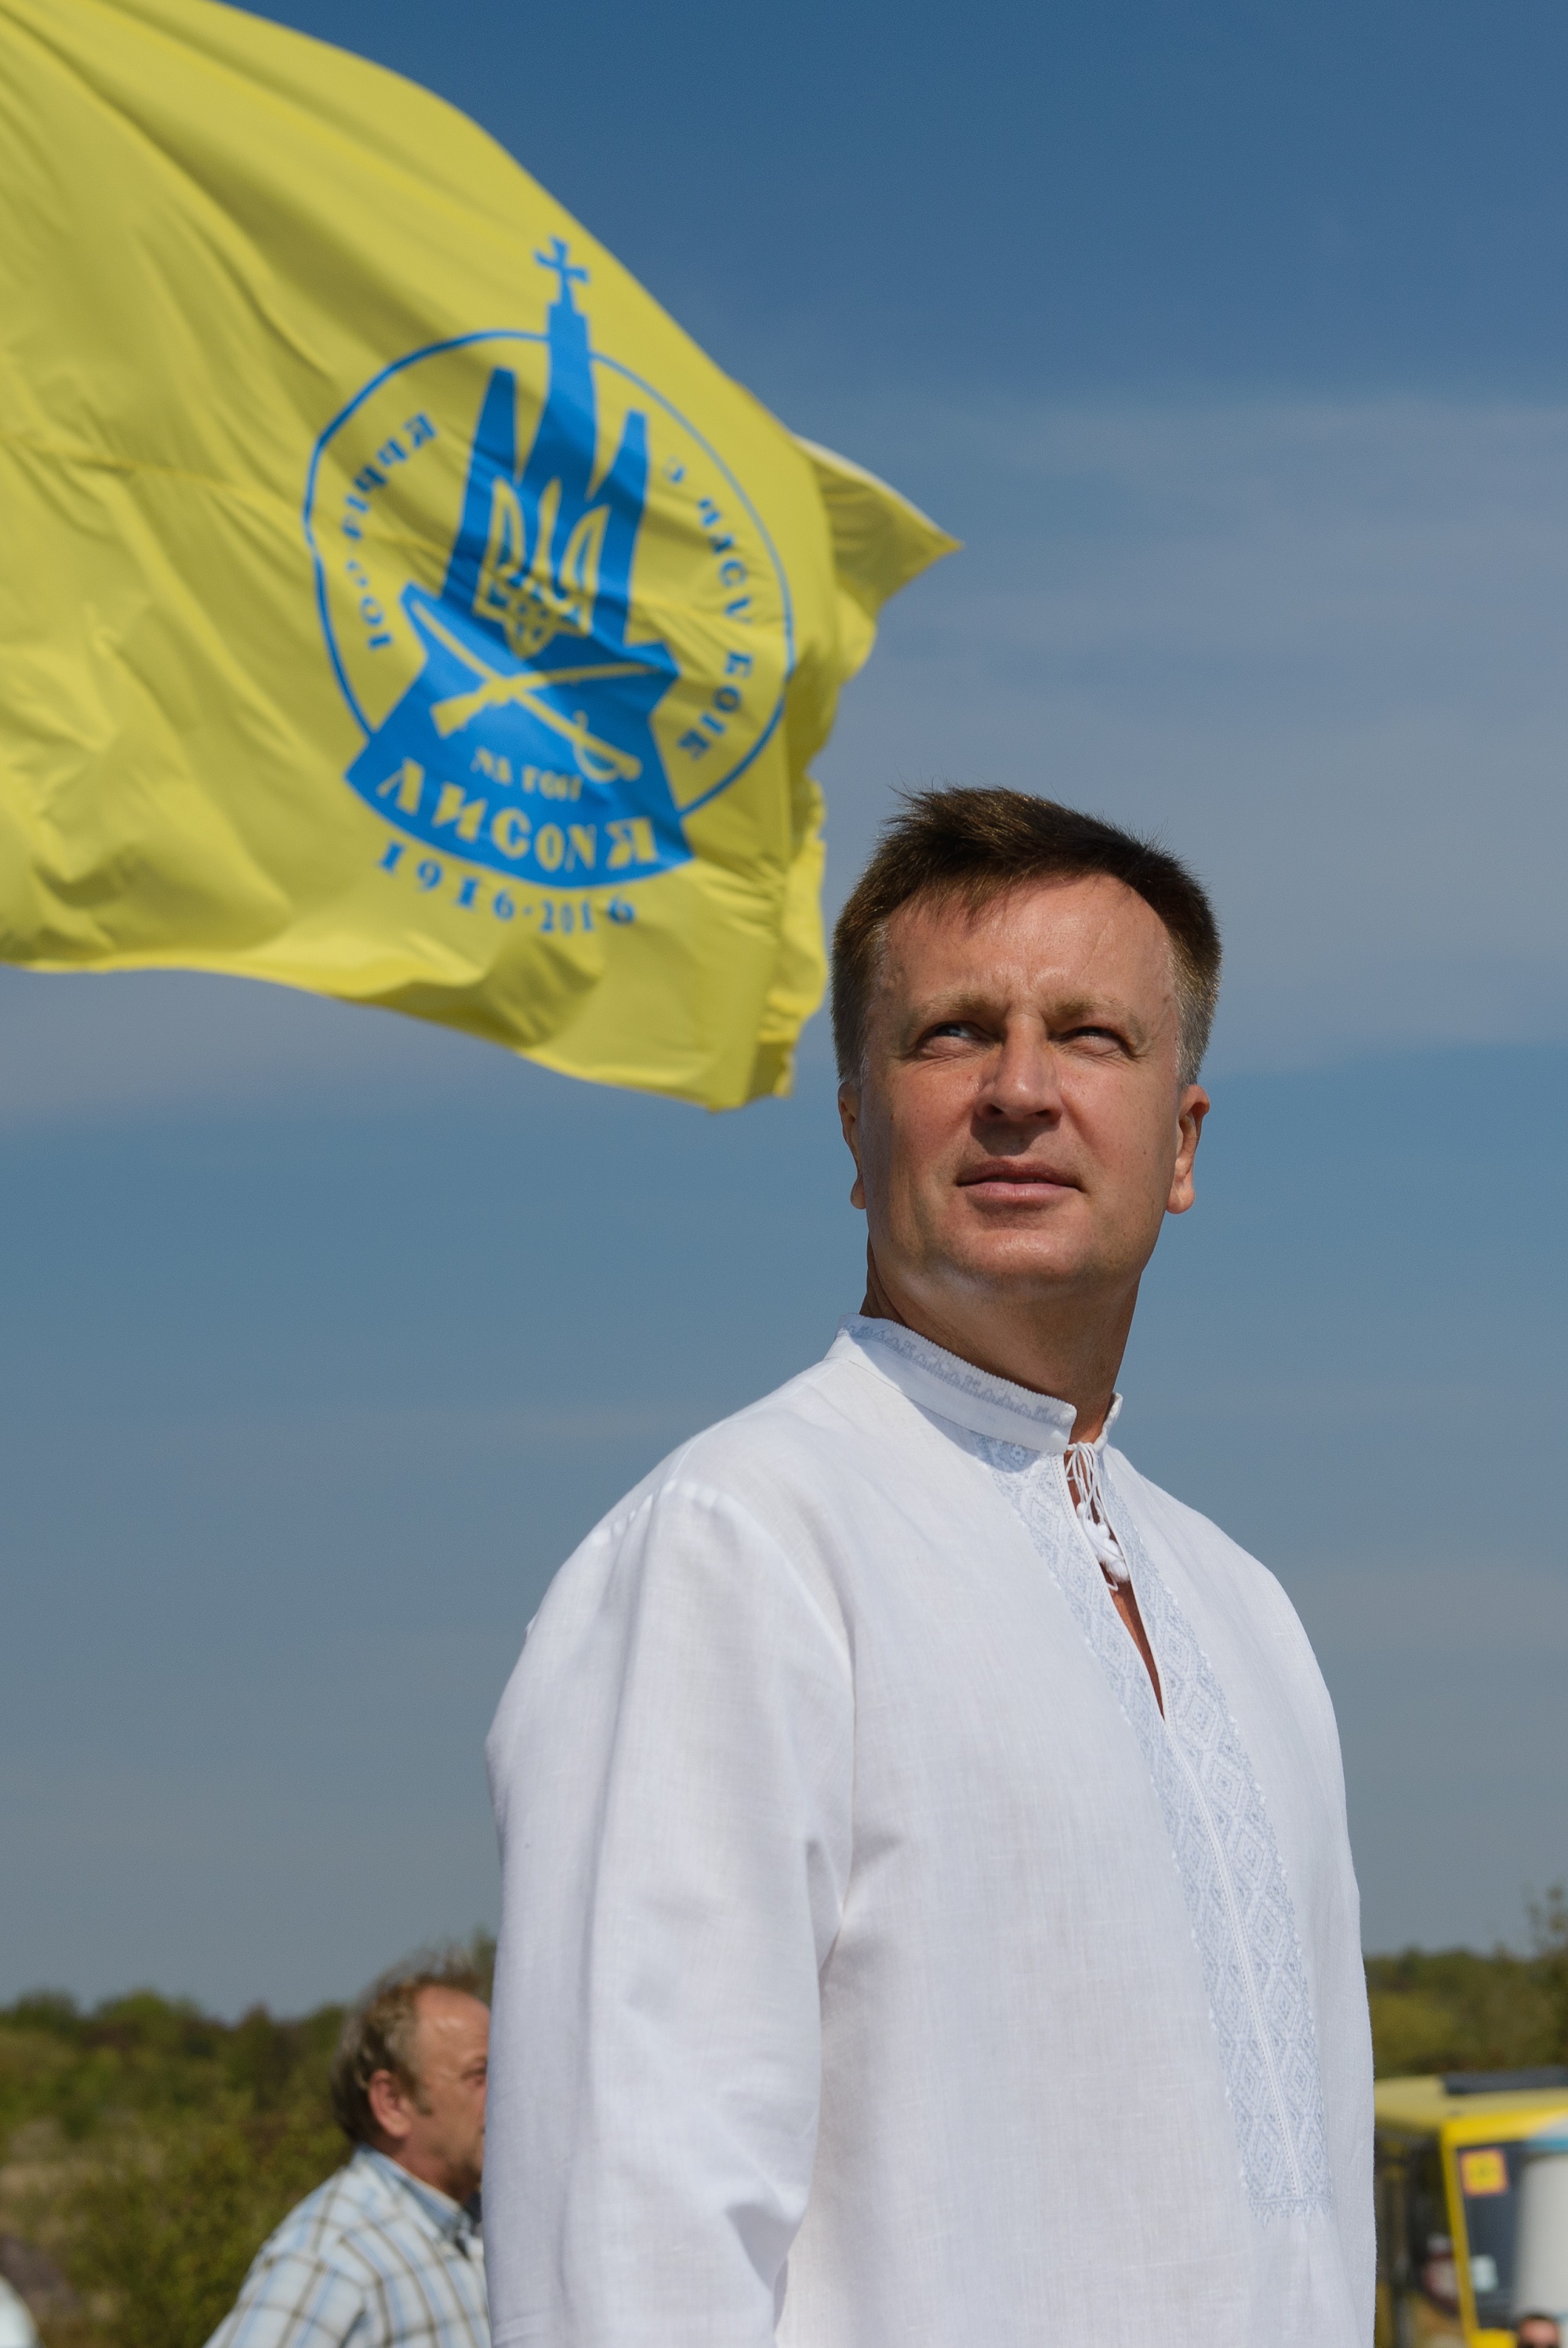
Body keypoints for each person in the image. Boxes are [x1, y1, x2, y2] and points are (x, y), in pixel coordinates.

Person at [484, 788, 1374, 2347]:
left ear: (1180, 1141)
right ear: (853, 1124)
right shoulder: (742, 1544)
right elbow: (630, 2242)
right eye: (954, 1034)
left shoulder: (1245, 1609)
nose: (1020, 1090)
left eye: (1090, 1036)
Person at [205, 1952, 489, 2348]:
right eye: (480, 2075)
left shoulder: (488, 2226)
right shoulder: (332, 2258)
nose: (506, 2095)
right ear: (392, 2103)